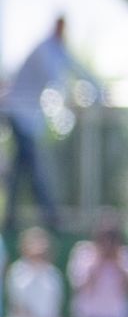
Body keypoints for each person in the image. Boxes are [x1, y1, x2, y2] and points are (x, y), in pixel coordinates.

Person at [2, 16, 101, 238]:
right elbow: (57, 78)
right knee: (32, 168)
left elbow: (75, 68)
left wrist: (98, 89)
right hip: (19, 114)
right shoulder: (43, 50)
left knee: (22, 168)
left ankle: (15, 217)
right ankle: (49, 215)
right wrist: (77, 93)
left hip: (27, 118)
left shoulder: (56, 50)